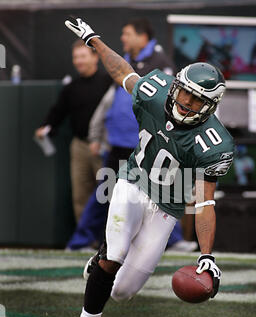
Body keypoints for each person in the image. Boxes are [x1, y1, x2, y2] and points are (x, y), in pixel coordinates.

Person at [64, 17, 235, 317]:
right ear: (176, 85)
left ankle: (101, 259)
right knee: (114, 257)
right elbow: (122, 72)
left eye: (197, 100)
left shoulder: (215, 144)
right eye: (185, 91)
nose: (186, 102)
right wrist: (94, 40)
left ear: (211, 106)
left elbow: (203, 204)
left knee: (123, 292)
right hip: (132, 181)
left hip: (168, 206)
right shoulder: (155, 90)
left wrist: (206, 255)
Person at [66, 18, 195, 251]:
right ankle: (82, 240)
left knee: (158, 190)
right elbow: (110, 101)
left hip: (145, 144)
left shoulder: (159, 62)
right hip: (118, 142)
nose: (123, 38)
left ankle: (172, 240)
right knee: (105, 192)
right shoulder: (128, 60)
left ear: (142, 36)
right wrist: (97, 134)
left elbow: (167, 104)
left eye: (127, 34)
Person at [35, 39, 112, 222]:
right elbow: (58, 112)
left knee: (108, 195)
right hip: (79, 146)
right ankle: (84, 239)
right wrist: (46, 128)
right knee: (80, 194)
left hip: (104, 146)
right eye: (76, 57)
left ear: (95, 57)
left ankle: (109, 241)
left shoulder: (108, 82)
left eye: (83, 56)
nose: (79, 61)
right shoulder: (71, 87)